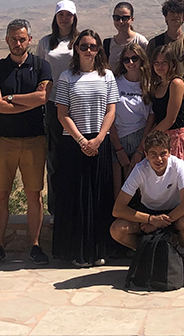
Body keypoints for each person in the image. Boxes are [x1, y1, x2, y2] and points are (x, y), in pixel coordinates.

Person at [0, 19, 51, 267]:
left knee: (35, 196)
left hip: (34, 140)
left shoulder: (41, 66)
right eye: (14, 38)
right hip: (3, 142)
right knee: (0, 195)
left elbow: (43, 97)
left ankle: (35, 245)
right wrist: (26, 102)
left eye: (22, 38)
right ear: (7, 40)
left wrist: (10, 99)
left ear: (30, 40)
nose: (18, 43)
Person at [51, 29, 118, 267]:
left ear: (99, 49)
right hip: (73, 143)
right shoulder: (67, 77)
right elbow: (62, 113)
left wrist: (99, 138)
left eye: (93, 46)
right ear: (76, 49)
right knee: (77, 197)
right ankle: (77, 251)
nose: (88, 50)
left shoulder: (107, 76)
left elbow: (111, 110)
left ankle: (98, 249)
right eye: (83, 46)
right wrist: (81, 141)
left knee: (99, 196)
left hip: (100, 141)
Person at [109, 130, 184, 255]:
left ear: (170, 152)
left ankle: (181, 252)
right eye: (153, 154)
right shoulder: (140, 169)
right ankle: (146, 253)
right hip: (148, 212)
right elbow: (118, 209)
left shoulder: (179, 165)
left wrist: (158, 223)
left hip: (174, 213)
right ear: (146, 154)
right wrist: (150, 219)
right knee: (117, 229)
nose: (159, 159)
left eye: (163, 153)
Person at [148, 0, 184, 176]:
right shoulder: (155, 44)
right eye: (170, 12)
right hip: (162, 99)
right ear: (165, 16)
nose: (174, 16)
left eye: (178, 12)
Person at [36, 0, 78, 212]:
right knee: (55, 157)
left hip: (78, 104)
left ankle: (77, 205)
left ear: (74, 17)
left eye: (68, 15)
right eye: (61, 14)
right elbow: (39, 72)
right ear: (55, 17)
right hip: (53, 105)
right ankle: (55, 208)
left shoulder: (81, 41)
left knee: (78, 153)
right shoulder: (45, 43)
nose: (64, 18)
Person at [147, 45, 184, 183]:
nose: (160, 66)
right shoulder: (158, 86)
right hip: (160, 140)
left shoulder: (176, 83)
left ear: (172, 63)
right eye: (156, 63)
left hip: (175, 138)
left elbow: (170, 119)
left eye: (164, 62)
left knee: (177, 182)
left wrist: (148, 139)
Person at [109, 41, 152, 196]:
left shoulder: (148, 84)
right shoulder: (115, 82)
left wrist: (141, 149)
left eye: (134, 58)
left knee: (139, 187)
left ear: (141, 59)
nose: (131, 63)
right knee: (118, 188)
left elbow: (151, 119)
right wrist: (118, 148)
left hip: (140, 137)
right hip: (117, 138)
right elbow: (109, 116)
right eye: (126, 60)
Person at [104, 1, 149, 68]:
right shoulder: (108, 44)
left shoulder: (141, 41)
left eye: (125, 18)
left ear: (132, 19)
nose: (120, 22)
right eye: (117, 18)